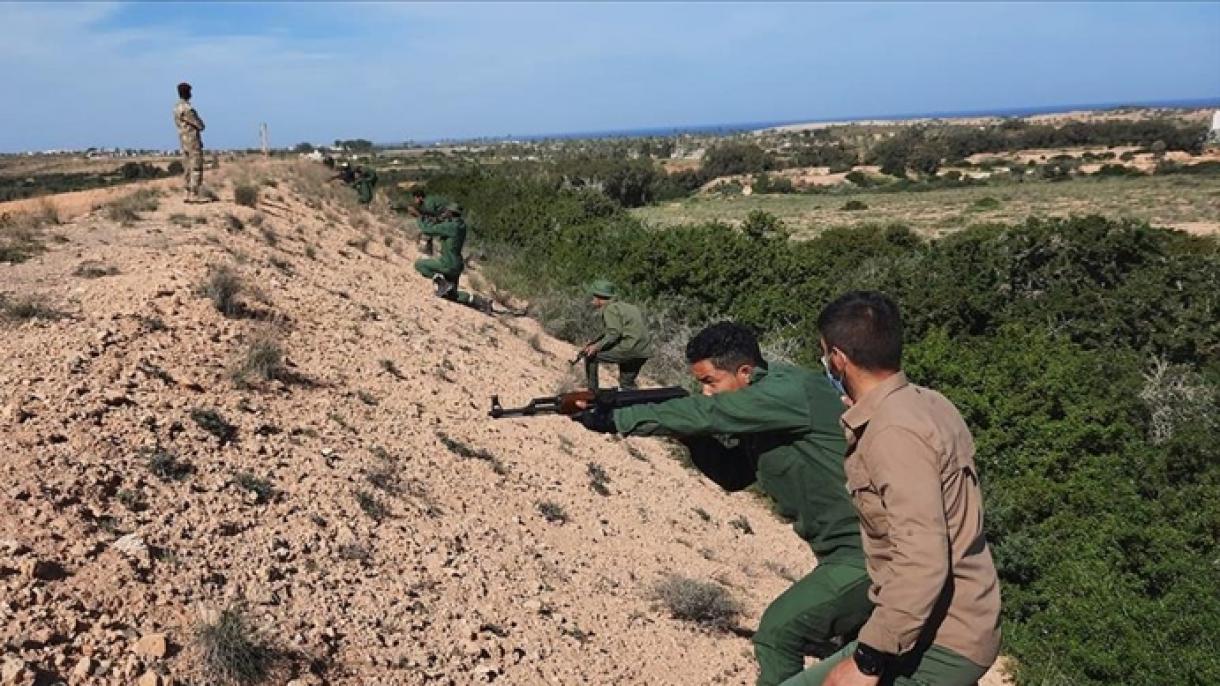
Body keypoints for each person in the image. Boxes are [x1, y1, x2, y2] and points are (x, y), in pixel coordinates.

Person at [571, 322, 873, 685]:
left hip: (868, 553)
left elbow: (709, 414)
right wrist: (689, 436)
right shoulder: (765, 405)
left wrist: (619, 418)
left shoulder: (791, 391)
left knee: (779, 634)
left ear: (745, 371)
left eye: (711, 382)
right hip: (843, 554)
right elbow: (734, 475)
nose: (706, 393)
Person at [787, 291, 1001, 686]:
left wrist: (869, 659)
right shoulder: (929, 403)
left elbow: (922, 559)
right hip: (950, 623)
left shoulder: (893, 431)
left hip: (942, 639)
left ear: (838, 358)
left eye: (825, 356)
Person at [411, 192, 492, 314]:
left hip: (448, 262)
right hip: (457, 264)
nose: (444, 213)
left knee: (419, 265)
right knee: (451, 295)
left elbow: (427, 230)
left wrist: (419, 217)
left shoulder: (450, 226)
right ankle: (480, 302)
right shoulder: (461, 226)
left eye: (446, 212)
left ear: (450, 213)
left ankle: (440, 282)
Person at [581, 280, 654, 391]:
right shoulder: (629, 307)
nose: (592, 300)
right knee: (627, 385)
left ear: (599, 298)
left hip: (628, 349)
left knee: (590, 357)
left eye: (593, 297)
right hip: (643, 351)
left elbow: (614, 333)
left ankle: (592, 393)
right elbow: (620, 331)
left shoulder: (610, 309)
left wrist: (596, 347)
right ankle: (637, 404)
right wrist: (595, 342)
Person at [172, 82, 207, 203]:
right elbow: (199, 125)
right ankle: (194, 194)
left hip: (182, 140)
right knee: (196, 167)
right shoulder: (187, 108)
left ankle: (186, 193)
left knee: (186, 168)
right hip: (192, 140)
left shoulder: (176, 108)